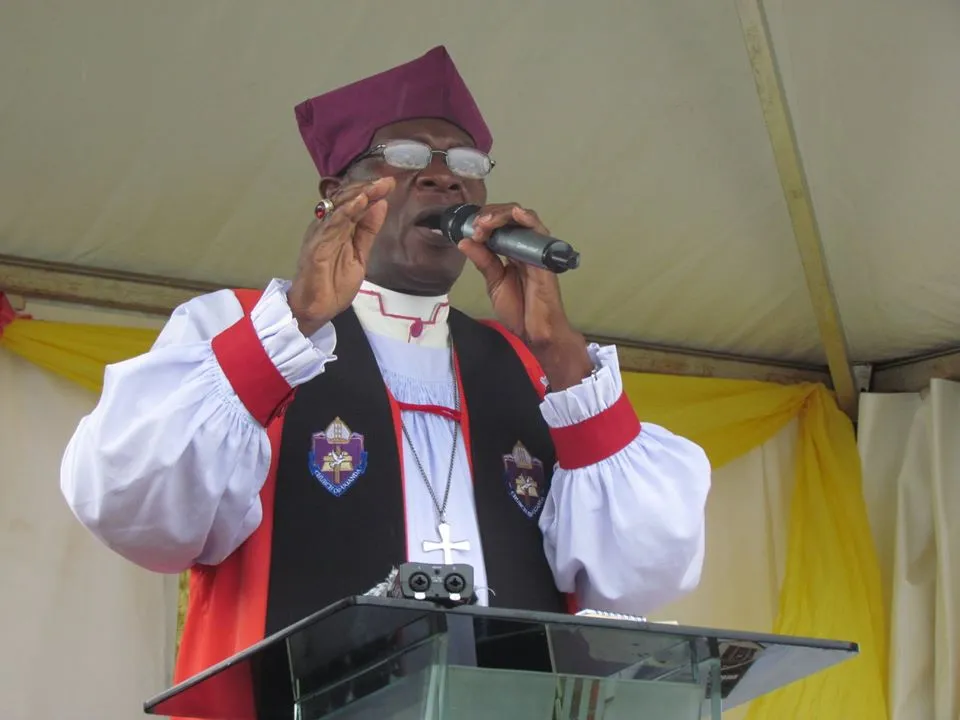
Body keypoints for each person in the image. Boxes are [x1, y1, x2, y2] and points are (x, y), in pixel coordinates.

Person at [59, 46, 711, 686]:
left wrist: (562, 352)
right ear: (337, 193)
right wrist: (298, 322)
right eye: (403, 157)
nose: (442, 177)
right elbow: (133, 511)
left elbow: (639, 578)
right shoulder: (234, 328)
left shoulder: (536, 369)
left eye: (464, 163)